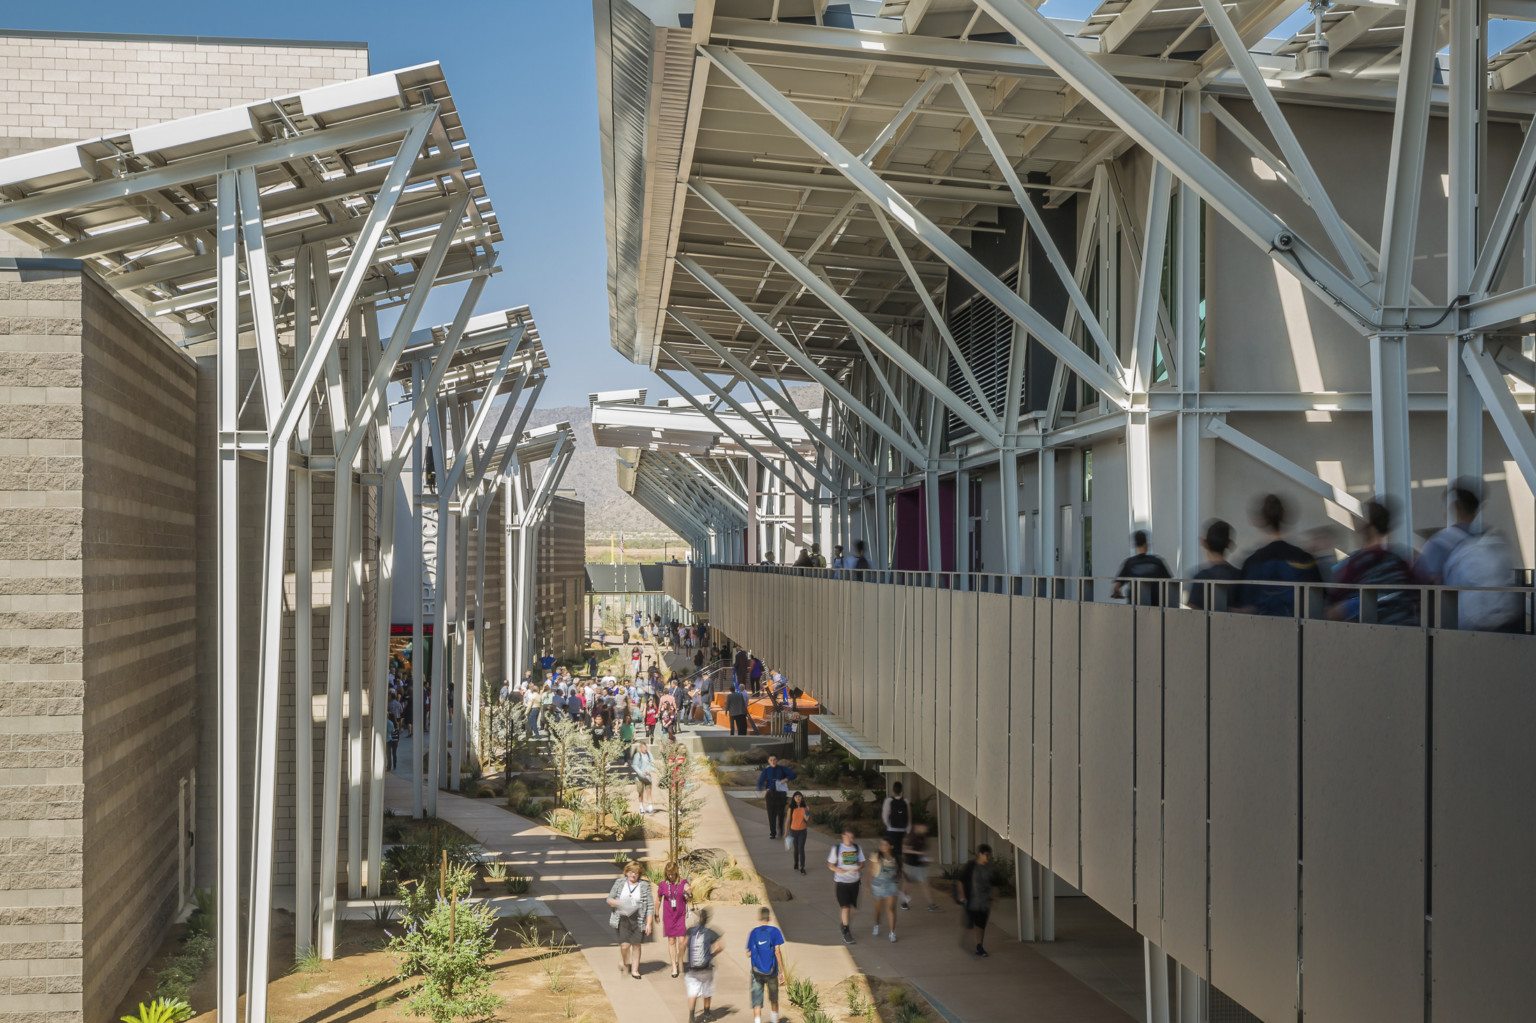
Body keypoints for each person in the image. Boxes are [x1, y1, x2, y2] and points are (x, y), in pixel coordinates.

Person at [1419, 481, 1522, 631]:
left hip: (1467, 628)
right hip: (1505, 623)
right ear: (1479, 508)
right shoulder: (1496, 538)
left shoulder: (1441, 542)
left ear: (1455, 506)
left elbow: (1421, 578)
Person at [1328, 498, 1421, 625]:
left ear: (1367, 523)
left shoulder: (1356, 563)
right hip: (1407, 629)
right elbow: (1417, 595)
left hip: (1375, 635)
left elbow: (1334, 606)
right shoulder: (1399, 561)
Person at [1234, 494, 1323, 616]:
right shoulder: (1304, 559)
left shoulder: (1251, 562)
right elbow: (1319, 601)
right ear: (1285, 516)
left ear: (1261, 520)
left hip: (1258, 630)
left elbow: (1243, 605)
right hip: (1300, 630)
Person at [606, 860, 654, 979]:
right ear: (627, 872)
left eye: (636, 873)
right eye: (631, 872)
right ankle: (625, 962)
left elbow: (650, 905)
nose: (634, 875)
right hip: (622, 918)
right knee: (625, 946)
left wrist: (649, 923)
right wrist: (618, 902)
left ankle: (635, 970)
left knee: (636, 945)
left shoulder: (644, 885)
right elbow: (609, 899)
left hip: (638, 918)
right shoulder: (619, 883)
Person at [1187, 519, 1241, 611]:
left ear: (1204, 542)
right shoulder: (1239, 576)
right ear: (1229, 544)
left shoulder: (1200, 577)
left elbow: (1193, 612)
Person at [746, 906, 787, 1023]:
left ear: (759, 918)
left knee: (757, 1001)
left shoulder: (753, 933)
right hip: (772, 971)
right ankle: (774, 1021)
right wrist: (782, 971)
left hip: (756, 972)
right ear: (770, 918)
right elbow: (777, 951)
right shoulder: (775, 932)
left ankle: (757, 1021)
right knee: (774, 999)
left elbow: (748, 953)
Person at [1111, 530, 1172, 606]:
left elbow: (1116, 588)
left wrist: (1117, 593)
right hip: (1156, 608)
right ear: (1147, 544)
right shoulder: (1157, 562)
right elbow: (1170, 584)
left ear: (1135, 545)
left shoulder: (1129, 563)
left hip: (1135, 608)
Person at [684, 908, 724, 1023]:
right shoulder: (711, 932)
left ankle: (692, 1017)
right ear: (708, 919)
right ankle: (706, 1014)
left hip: (692, 968)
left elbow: (683, 943)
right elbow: (720, 947)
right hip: (706, 968)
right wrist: (711, 955)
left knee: (693, 991)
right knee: (707, 990)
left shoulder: (691, 931)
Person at [954, 844, 994, 958]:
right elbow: (960, 880)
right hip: (971, 900)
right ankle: (966, 939)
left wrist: (991, 899)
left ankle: (979, 946)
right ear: (980, 854)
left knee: (981, 924)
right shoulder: (971, 866)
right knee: (970, 924)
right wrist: (962, 895)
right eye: (986, 855)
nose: (988, 858)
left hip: (983, 902)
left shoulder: (989, 868)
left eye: (989, 856)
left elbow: (993, 884)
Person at [828, 826, 866, 945]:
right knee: (845, 907)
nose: (850, 839)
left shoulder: (857, 848)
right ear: (843, 836)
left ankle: (844, 923)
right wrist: (839, 870)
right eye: (848, 836)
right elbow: (830, 865)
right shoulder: (837, 849)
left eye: (852, 837)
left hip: (854, 882)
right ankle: (846, 930)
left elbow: (862, 863)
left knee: (853, 909)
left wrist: (858, 868)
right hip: (841, 883)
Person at [655, 861, 691, 978]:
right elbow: (658, 899)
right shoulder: (663, 884)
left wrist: (689, 893)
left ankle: (680, 960)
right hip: (669, 916)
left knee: (682, 941)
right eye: (669, 874)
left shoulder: (683, 883)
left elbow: (689, 898)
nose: (671, 876)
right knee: (671, 941)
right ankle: (674, 966)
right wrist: (656, 913)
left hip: (680, 915)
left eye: (672, 874)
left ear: (676, 873)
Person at [756, 755, 797, 839]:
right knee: (771, 814)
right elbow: (760, 782)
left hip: (780, 793)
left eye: (774, 759)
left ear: (777, 760)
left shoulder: (782, 768)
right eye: (771, 760)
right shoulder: (766, 771)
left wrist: (786, 779)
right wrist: (762, 790)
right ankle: (773, 833)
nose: (773, 761)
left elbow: (793, 774)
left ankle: (781, 831)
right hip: (770, 794)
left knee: (781, 813)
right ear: (768, 761)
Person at [868, 838, 901, 942]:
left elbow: (898, 873)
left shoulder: (895, 858)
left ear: (891, 846)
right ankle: (876, 924)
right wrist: (867, 885)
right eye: (881, 844)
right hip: (878, 885)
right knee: (878, 909)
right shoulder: (876, 856)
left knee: (891, 908)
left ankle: (892, 932)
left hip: (891, 884)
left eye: (885, 845)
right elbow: (871, 870)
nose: (883, 846)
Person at [880, 781, 910, 890]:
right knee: (900, 853)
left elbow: (885, 815)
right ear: (901, 790)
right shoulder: (905, 801)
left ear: (893, 790)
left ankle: (891, 872)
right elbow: (909, 817)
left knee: (891, 852)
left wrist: (888, 825)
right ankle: (898, 873)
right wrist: (907, 830)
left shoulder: (888, 801)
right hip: (902, 831)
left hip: (892, 830)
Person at [903, 822, 939, 911]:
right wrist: (919, 853)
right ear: (917, 827)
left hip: (920, 864)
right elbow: (905, 850)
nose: (925, 829)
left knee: (924, 884)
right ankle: (904, 902)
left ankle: (931, 904)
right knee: (909, 884)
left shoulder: (923, 837)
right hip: (911, 865)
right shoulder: (912, 837)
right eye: (923, 827)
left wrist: (926, 856)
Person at [786, 791, 809, 875]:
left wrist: (806, 815)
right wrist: (786, 832)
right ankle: (796, 863)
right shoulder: (791, 808)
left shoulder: (806, 808)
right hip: (793, 831)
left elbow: (807, 820)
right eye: (796, 797)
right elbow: (788, 820)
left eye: (799, 796)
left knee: (801, 849)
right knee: (796, 850)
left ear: (802, 798)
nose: (798, 798)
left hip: (803, 831)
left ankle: (802, 867)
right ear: (794, 798)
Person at [632, 741, 657, 814]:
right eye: (643, 747)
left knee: (649, 791)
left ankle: (650, 807)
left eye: (646, 747)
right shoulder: (637, 755)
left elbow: (652, 763)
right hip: (640, 777)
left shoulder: (649, 754)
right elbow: (635, 765)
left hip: (648, 777)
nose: (645, 749)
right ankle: (641, 807)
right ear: (640, 748)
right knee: (640, 792)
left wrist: (650, 770)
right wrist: (641, 773)